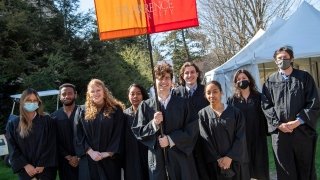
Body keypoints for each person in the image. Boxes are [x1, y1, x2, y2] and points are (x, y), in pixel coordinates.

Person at [132, 62, 199, 180]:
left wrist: (171, 139)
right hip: (157, 159)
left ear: (171, 81)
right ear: (154, 81)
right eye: (160, 78)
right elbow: (138, 131)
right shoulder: (145, 106)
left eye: (167, 78)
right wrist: (153, 124)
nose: (164, 81)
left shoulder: (183, 103)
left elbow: (192, 129)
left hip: (180, 158)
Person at [261, 46, 320, 180]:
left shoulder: (304, 78)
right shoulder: (270, 81)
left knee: (305, 168)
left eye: (285, 58)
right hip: (281, 136)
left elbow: (313, 102)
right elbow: (266, 106)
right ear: (275, 61)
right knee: (285, 170)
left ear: (292, 59)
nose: (283, 60)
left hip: (302, 133)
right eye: (279, 58)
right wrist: (278, 124)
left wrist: (298, 121)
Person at [198, 81, 250, 180]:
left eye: (215, 91)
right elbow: (205, 139)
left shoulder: (235, 113)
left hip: (235, 162)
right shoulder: (202, 115)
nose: (212, 95)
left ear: (221, 93)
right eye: (208, 92)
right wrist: (218, 159)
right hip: (215, 164)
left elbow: (241, 137)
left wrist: (230, 157)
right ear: (205, 95)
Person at [6, 88, 57, 179]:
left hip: (45, 170)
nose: (32, 103)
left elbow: (51, 144)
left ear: (38, 102)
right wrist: (25, 165)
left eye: (35, 100)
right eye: (29, 100)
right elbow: (13, 148)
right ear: (22, 102)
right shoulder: (13, 124)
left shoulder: (47, 121)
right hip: (25, 171)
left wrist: (42, 164)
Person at [227, 69, 269, 179]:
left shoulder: (259, 97)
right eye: (239, 79)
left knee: (260, 168)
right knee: (243, 170)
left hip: (258, 138)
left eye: (244, 78)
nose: (242, 81)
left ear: (249, 79)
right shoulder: (232, 100)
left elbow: (266, 116)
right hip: (241, 140)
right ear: (235, 82)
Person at [81, 79, 125, 179]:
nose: (96, 93)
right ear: (89, 94)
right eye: (92, 91)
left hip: (110, 160)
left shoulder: (116, 110)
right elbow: (78, 135)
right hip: (91, 160)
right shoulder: (82, 111)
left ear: (104, 92)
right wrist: (91, 152)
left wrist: (108, 153)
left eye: (98, 90)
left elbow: (119, 133)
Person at [172, 61, 209, 180]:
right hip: (186, 139)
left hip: (204, 136)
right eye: (186, 73)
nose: (189, 75)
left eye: (192, 72)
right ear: (182, 76)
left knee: (206, 170)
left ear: (197, 74)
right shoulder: (176, 93)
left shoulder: (206, 91)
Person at [51, 83, 89, 180]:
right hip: (64, 161)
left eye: (70, 93)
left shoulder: (84, 112)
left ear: (75, 94)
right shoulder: (54, 116)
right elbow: (54, 140)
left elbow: (88, 136)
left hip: (84, 158)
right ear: (60, 96)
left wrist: (79, 156)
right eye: (64, 94)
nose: (67, 96)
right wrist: (68, 157)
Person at [123, 83, 149, 180]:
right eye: (132, 94)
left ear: (143, 95)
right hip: (131, 156)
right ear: (128, 96)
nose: (135, 96)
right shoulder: (124, 115)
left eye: (138, 93)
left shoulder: (149, 112)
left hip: (147, 153)